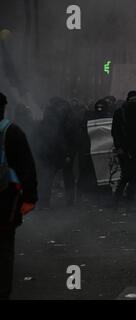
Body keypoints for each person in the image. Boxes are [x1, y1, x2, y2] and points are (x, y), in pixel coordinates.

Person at [0, 92, 38, 300]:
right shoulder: (12, 132)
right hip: (6, 199)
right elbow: (27, 169)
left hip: (7, 198)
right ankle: (3, 291)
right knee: (5, 246)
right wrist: (30, 198)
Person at [111, 91, 136, 203]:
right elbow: (115, 131)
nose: (134, 102)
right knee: (126, 173)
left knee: (133, 174)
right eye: (132, 100)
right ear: (128, 100)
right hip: (124, 147)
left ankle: (129, 197)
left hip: (135, 147)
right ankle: (119, 196)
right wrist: (119, 147)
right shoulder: (120, 113)